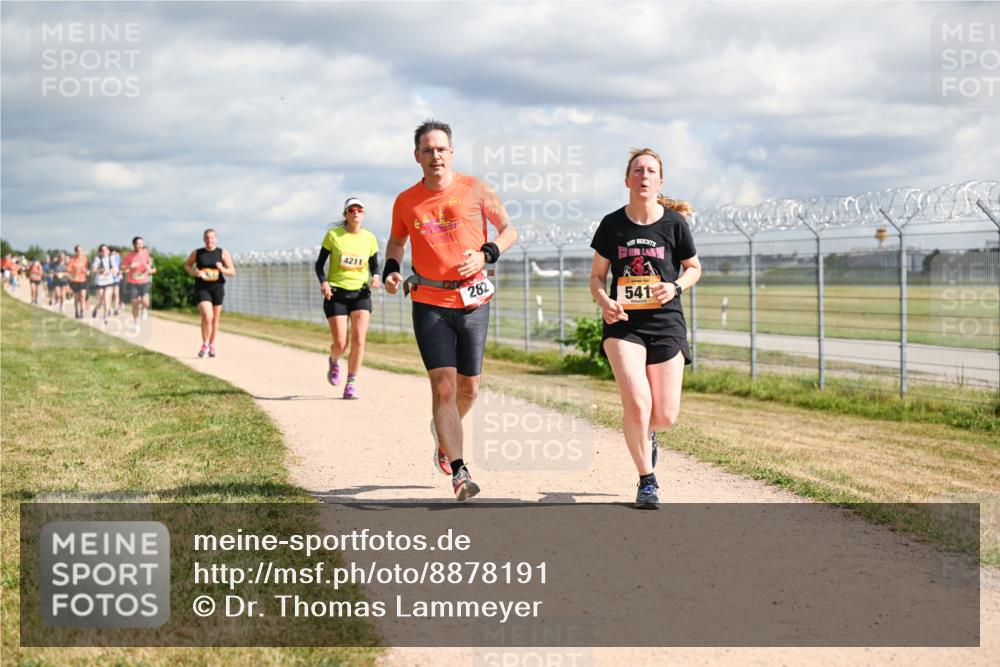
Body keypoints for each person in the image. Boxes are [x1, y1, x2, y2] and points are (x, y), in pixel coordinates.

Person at [383, 119, 517, 501]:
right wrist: (392, 271)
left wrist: (486, 254)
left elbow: (509, 230)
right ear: (417, 156)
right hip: (429, 301)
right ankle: (460, 472)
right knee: (443, 384)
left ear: (451, 153)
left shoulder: (476, 189)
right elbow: (395, 243)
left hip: (473, 300)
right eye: (427, 150)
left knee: (468, 388)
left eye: (441, 149)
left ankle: (443, 436)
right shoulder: (406, 201)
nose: (435, 155)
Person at [588, 147, 702, 509]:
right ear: (627, 180)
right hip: (623, 325)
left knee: (664, 415)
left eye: (651, 171)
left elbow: (695, 268)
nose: (644, 176)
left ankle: (649, 435)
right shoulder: (611, 225)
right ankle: (646, 480)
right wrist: (604, 301)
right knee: (637, 403)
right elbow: (595, 277)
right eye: (638, 170)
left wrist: (675, 286)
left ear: (660, 181)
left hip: (666, 322)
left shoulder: (673, 224)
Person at [315, 198, 381, 399]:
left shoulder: (369, 238)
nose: (355, 212)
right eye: (351, 210)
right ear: (345, 214)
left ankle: (351, 382)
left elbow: (374, 265)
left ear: (363, 214)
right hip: (336, 294)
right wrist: (324, 282)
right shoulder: (334, 236)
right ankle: (334, 360)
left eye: (359, 209)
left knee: (359, 341)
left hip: (360, 293)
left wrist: (376, 277)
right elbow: (319, 265)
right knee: (341, 343)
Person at [184, 228, 236, 358]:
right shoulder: (198, 253)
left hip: (217, 287)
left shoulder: (222, 253)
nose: (209, 240)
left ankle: (212, 345)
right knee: (207, 316)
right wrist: (194, 272)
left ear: (216, 239)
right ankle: (205, 344)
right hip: (202, 287)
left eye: (212, 238)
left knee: (215, 319)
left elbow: (232, 272)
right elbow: (187, 265)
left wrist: (222, 268)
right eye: (207, 238)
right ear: (204, 239)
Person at [121, 236, 155, 331]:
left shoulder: (145, 253)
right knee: (135, 304)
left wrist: (149, 269)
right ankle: (136, 322)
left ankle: (144, 310)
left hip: (144, 282)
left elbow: (151, 266)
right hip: (133, 282)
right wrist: (130, 266)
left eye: (141, 243)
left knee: (146, 302)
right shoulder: (129, 256)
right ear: (134, 245)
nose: (140, 245)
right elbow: (122, 267)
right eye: (138, 243)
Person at [90, 244, 117, 323]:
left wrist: (109, 271)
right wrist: (100, 270)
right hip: (100, 282)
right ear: (100, 252)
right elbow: (93, 270)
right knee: (101, 301)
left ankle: (105, 317)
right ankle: (96, 309)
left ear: (108, 251)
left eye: (106, 249)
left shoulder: (111, 258)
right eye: (102, 250)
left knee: (106, 298)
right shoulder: (98, 259)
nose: (104, 251)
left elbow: (115, 269)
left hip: (109, 282)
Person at [66, 245, 90, 319]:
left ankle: (82, 312)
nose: (80, 252)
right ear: (76, 252)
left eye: (81, 250)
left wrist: (87, 272)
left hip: (83, 280)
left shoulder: (86, 259)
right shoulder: (72, 260)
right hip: (75, 281)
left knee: (83, 296)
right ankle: (76, 311)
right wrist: (73, 275)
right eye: (79, 250)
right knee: (76, 298)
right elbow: (68, 271)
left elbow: (89, 269)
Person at [110, 247, 122, 316]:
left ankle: (116, 308)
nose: (113, 254)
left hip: (116, 278)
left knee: (116, 293)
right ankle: (108, 308)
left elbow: (120, 266)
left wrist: (120, 273)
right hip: (108, 279)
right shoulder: (107, 259)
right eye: (112, 253)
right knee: (110, 294)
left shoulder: (118, 258)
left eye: (114, 253)